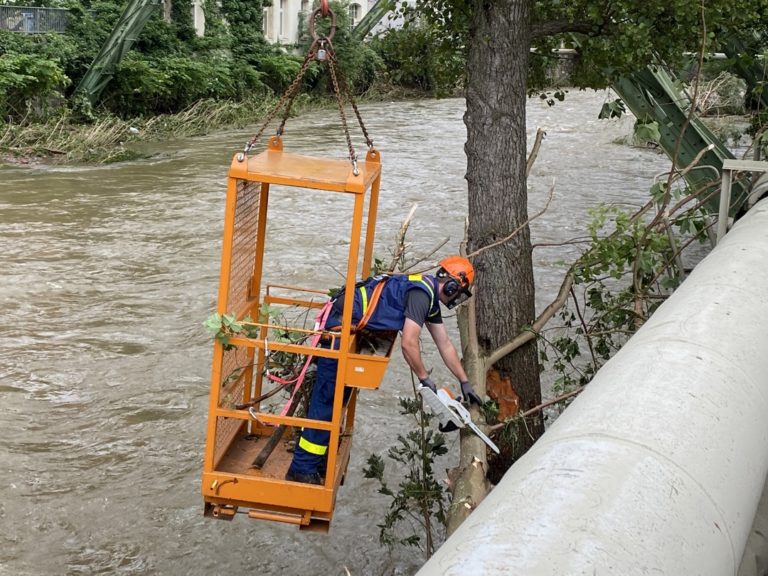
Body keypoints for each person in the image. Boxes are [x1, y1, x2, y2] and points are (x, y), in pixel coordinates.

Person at [285, 255, 483, 484]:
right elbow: (409, 343)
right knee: (328, 399)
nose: (457, 297)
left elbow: (445, 344)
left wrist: (464, 381)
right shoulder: (421, 295)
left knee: (339, 398)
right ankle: (301, 467)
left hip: (349, 329)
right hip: (338, 330)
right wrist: (424, 378)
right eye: (459, 292)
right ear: (452, 285)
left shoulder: (426, 296)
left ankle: (315, 461)